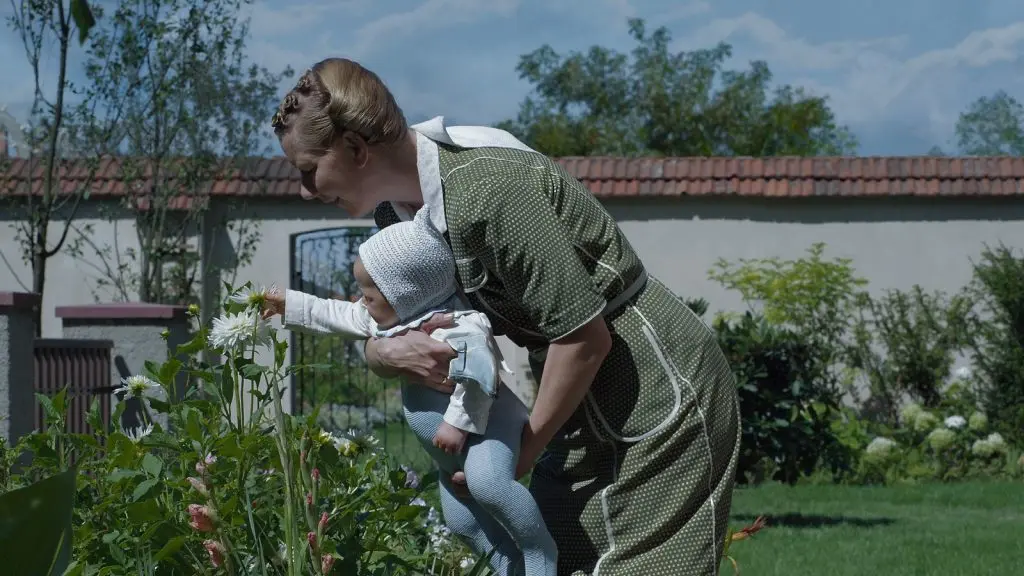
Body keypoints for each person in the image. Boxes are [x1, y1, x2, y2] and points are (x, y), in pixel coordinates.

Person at [271, 57, 741, 576]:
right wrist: (384, 353)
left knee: (636, 564)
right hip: (574, 393)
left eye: (308, 169)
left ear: (357, 149)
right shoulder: (395, 217)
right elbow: (383, 324)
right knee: (562, 557)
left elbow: (586, 339)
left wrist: (519, 455)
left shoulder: (489, 191)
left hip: (651, 382)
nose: (305, 189)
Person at [264, 207, 557, 576]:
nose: (361, 300)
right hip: (450, 454)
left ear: (406, 293)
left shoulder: (461, 325)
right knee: (461, 522)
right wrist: (288, 304)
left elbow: (481, 376)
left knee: (488, 483)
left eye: (370, 295)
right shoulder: (391, 319)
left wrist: (456, 423)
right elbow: (336, 313)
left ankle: (539, 551)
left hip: (485, 430)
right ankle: (508, 564)